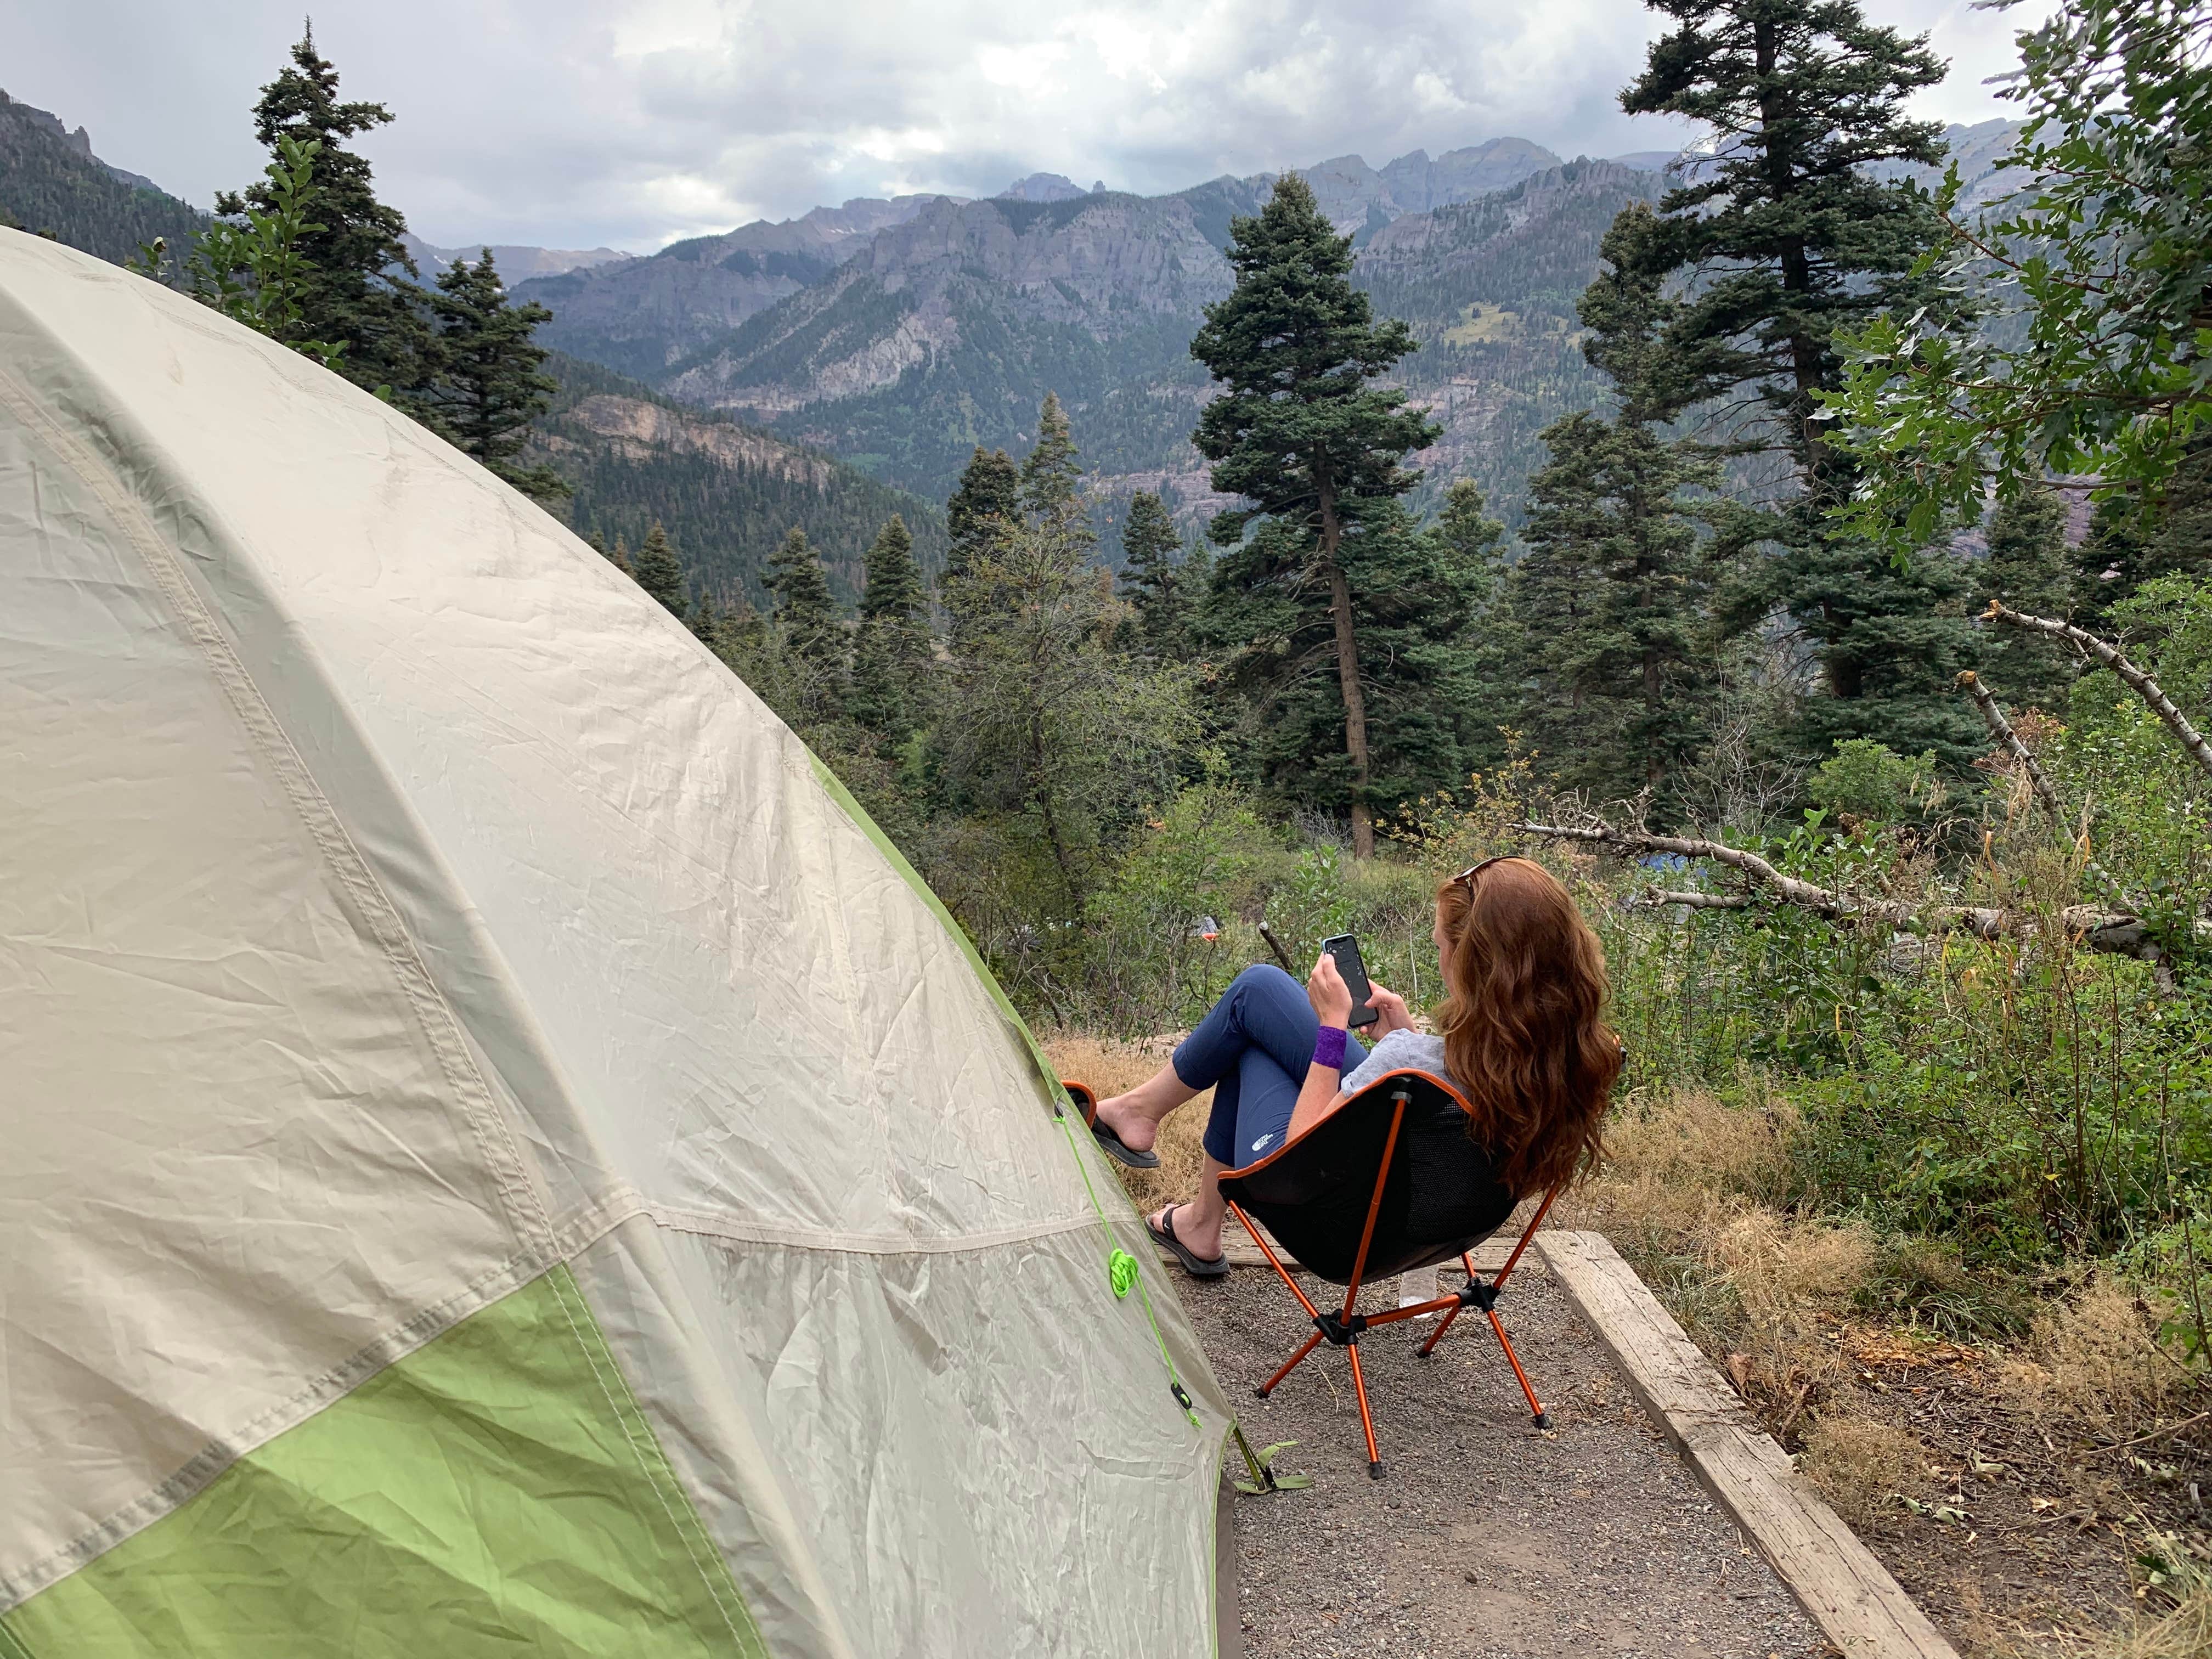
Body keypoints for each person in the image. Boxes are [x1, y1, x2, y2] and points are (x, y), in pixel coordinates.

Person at [1090, 856, 1621, 1277]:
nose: (1439, 957)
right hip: (1442, 1227)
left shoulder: (1410, 1061)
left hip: (1338, 1229)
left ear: (1474, 962)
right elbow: (1447, 1090)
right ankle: (1158, 1151)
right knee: (1259, 990)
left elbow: (1298, 1158)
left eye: (1441, 947)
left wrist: (1332, 1028)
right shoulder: (1578, 1057)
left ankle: (1185, 1199)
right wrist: (1407, 1039)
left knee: (1250, 1039)